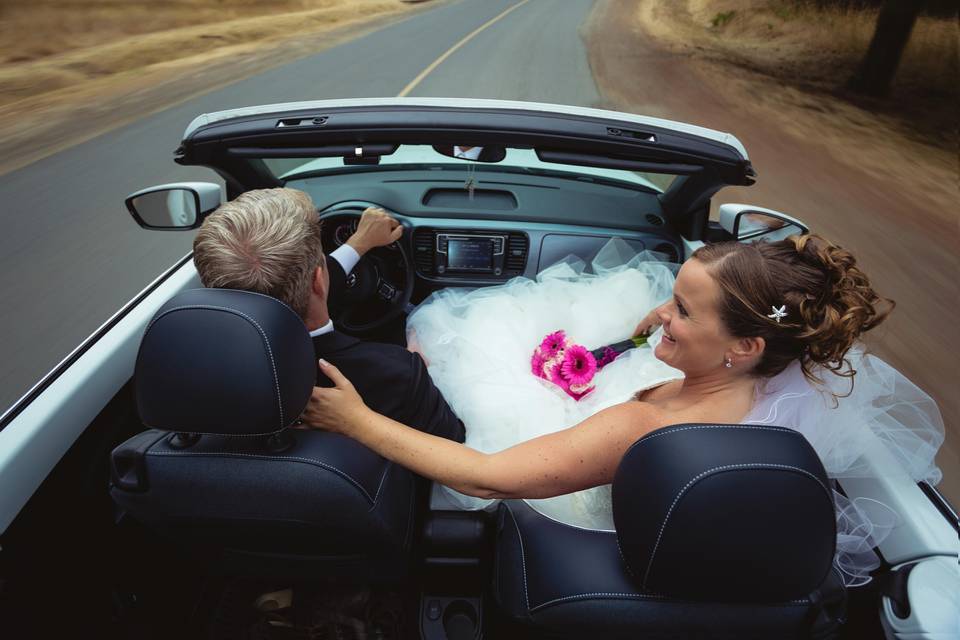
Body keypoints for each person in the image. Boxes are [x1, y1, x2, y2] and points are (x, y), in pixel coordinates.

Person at [302, 233, 944, 586]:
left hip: (566, 512)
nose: (664, 313)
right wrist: (661, 330)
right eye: (671, 296)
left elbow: (482, 474)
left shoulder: (645, 427)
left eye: (684, 311)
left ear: (745, 346)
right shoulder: (779, 377)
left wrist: (358, 421)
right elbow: (705, 335)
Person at [192, 187, 465, 443]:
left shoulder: (193, 371)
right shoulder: (398, 374)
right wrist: (425, 371)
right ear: (319, 281)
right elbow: (455, 444)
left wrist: (358, 244)